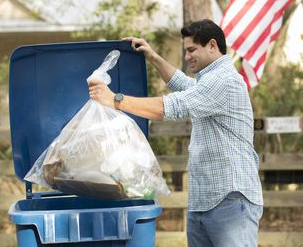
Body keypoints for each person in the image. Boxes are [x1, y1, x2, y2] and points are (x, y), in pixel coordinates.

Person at [89, 19, 263, 247]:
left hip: (230, 199)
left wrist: (114, 100)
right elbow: (181, 83)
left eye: (192, 50)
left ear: (212, 45)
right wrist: (152, 56)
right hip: (204, 201)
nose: (188, 56)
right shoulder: (208, 81)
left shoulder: (224, 80)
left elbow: (170, 107)